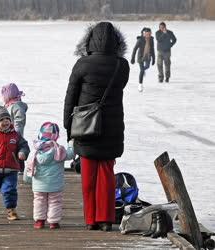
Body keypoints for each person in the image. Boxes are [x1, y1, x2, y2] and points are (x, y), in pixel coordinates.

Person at [63, 22, 130, 231]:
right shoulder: (122, 65)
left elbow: (70, 97)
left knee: (88, 177)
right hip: (112, 128)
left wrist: (68, 125)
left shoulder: (82, 64)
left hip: (86, 127)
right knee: (107, 176)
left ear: (90, 40)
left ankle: (91, 219)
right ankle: (105, 219)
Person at [25, 122, 74, 230]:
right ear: (55, 136)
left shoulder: (35, 150)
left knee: (39, 200)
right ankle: (53, 222)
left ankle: (39, 221)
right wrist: (71, 145)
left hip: (39, 184)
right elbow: (70, 155)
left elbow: (29, 164)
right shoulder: (59, 150)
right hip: (55, 184)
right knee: (55, 201)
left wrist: (27, 177)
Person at [131, 27, 155, 92]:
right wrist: (132, 58)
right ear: (144, 34)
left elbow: (152, 49)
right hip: (141, 57)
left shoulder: (151, 40)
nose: (148, 35)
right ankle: (140, 85)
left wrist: (154, 58)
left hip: (148, 56)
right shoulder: (140, 40)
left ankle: (143, 71)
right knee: (141, 70)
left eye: (149, 34)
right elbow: (135, 49)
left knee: (147, 66)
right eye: (147, 34)